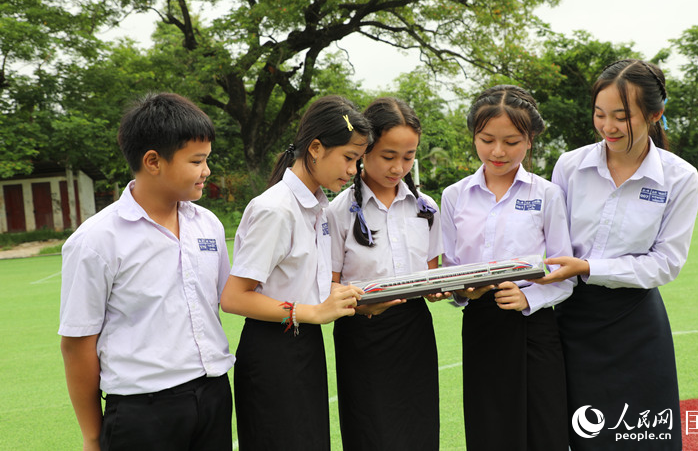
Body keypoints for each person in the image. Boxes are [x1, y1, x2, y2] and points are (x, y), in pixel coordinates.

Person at [535, 59, 698, 450]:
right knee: (582, 434)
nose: (608, 127)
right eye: (599, 114)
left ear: (655, 115)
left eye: (622, 117)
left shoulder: (680, 177)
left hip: (637, 326)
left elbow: (666, 262)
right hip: (572, 320)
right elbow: (550, 242)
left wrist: (590, 266)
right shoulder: (570, 166)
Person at [59, 93, 235, 451]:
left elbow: (222, 300)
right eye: (197, 160)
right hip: (144, 411)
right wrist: (93, 436)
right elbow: (78, 345)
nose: (207, 171)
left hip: (214, 393)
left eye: (207, 159)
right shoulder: (96, 241)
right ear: (153, 161)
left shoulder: (208, 225)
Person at [220, 95, 371, 451]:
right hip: (273, 352)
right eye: (349, 158)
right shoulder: (276, 209)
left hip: (304, 345)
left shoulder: (318, 205)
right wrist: (314, 312)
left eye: (358, 161)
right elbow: (233, 297)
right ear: (315, 148)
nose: (353, 171)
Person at [441, 85, 574, 451]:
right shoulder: (454, 197)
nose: (498, 152)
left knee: (543, 428)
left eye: (511, 141)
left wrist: (530, 298)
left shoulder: (547, 195)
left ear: (529, 141)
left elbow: (566, 275)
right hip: (482, 326)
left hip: (536, 329)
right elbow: (450, 269)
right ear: (474, 137)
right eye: (486, 140)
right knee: (491, 429)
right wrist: (462, 291)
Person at [327, 97, 443, 450]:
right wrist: (360, 307)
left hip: (415, 330)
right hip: (361, 334)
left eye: (408, 157)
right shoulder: (339, 210)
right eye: (388, 156)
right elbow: (330, 286)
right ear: (364, 150)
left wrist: (438, 288)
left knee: (419, 427)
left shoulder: (426, 208)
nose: (399, 167)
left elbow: (433, 272)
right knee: (370, 430)